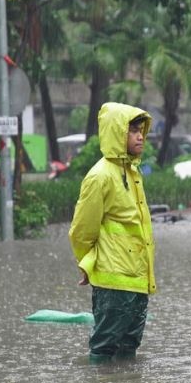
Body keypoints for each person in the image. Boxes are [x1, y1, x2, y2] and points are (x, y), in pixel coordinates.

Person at [69, 102, 157, 362]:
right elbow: (82, 230)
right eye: (132, 131)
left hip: (138, 279)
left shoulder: (132, 172)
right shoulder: (100, 176)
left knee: (130, 346)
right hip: (113, 282)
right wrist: (87, 264)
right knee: (104, 347)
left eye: (141, 130)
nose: (140, 136)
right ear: (118, 133)